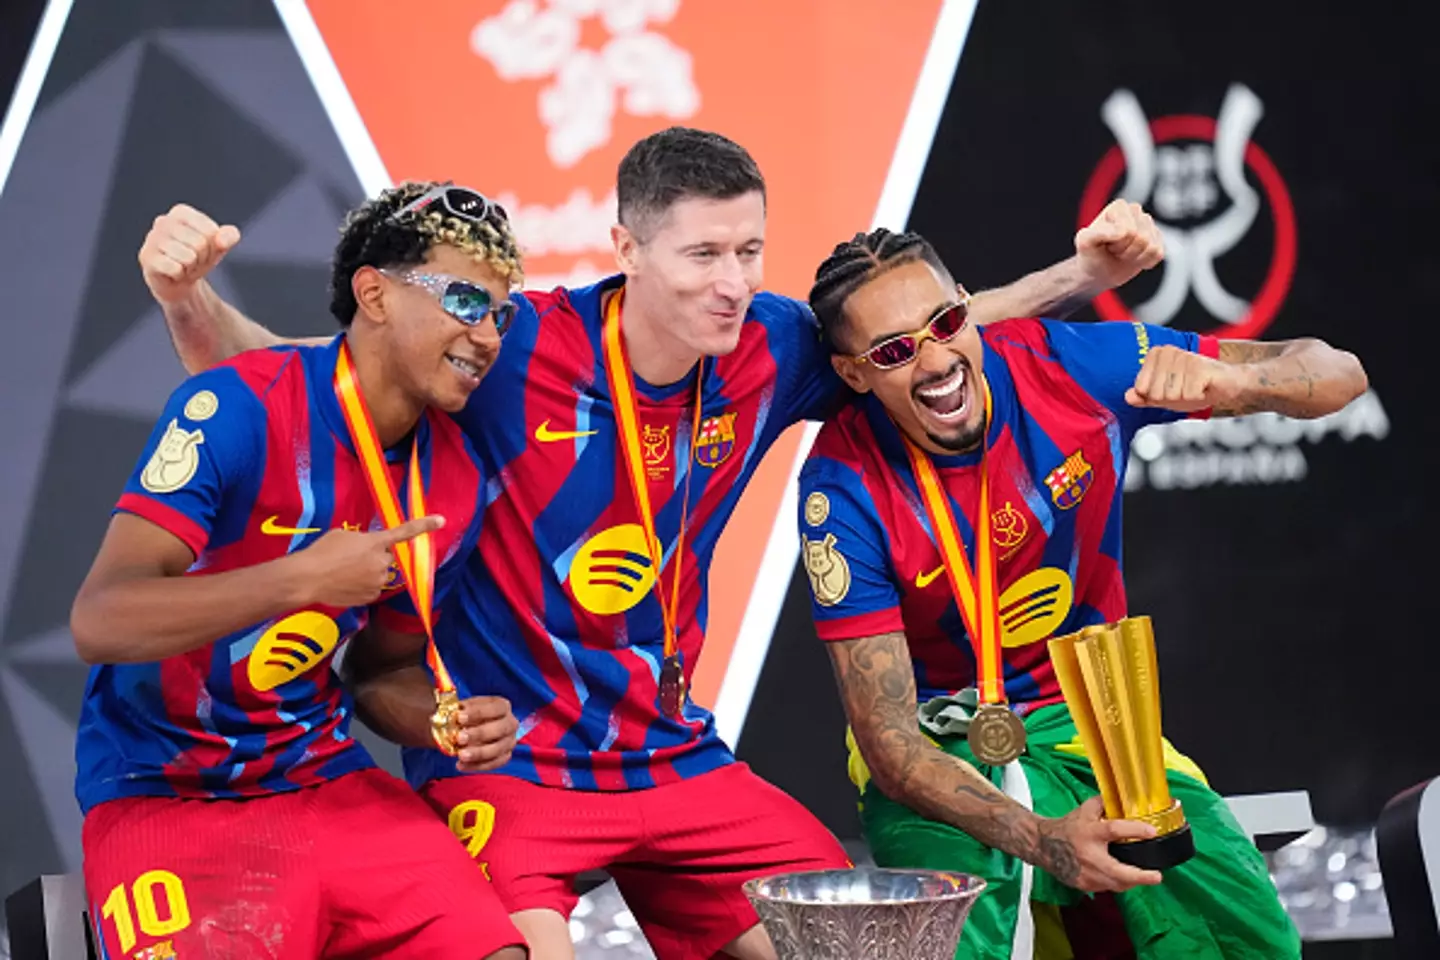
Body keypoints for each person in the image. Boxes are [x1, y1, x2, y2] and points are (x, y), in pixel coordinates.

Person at [140, 127, 1166, 960]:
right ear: (628, 250)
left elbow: (916, 338)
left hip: (675, 763)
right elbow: (312, 382)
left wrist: (1072, 275)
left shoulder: (767, 344)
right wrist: (190, 302)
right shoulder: (516, 347)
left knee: (864, 951)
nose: (732, 281)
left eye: (749, 250)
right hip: (519, 772)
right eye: (703, 255)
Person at [796, 226, 1367, 958]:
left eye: (945, 324)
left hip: (1097, 725)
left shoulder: (1069, 368)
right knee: (956, 934)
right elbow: (893, 744)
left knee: (1238, 929)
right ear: (853, 373)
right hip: (943, 748)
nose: (936, 361)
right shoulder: (839, 487)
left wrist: (1233, 383)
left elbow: (1337, 370)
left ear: (969, 310)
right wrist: (1043, 840)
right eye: (895, 351)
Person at [73, 182, 529, 959]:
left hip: (322, 780)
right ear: (374, 294)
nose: (486, 333)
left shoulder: (453, 478)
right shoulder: (235, 405)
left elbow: (380, 674)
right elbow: (101, 619)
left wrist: (442, 721)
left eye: (499, 313)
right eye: (464, 299)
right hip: (163, 788)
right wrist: (298, 580)